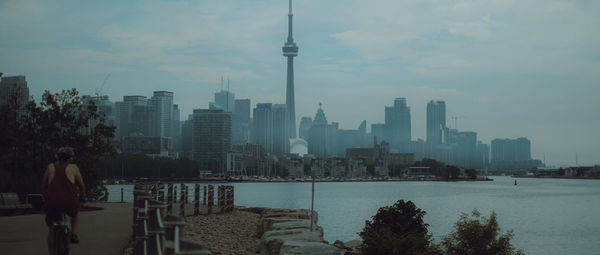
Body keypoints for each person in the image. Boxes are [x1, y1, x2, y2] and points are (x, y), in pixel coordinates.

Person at [41, 147, 86, 253]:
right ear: (70, 158)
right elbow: (81, 185)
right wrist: (83, 196)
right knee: (75, 214)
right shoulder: (74, 168)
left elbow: (43, 186)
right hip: (70, 202)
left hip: (53, 203)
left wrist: (45, 197)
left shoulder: (50, 167)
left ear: (57, 157)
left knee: (51, 230)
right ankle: (73, 234)